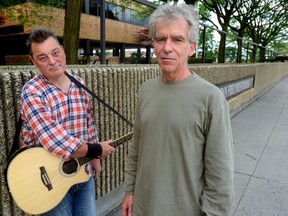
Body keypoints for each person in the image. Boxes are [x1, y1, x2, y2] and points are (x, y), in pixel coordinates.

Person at [122, 3, 234, 216]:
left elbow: (220, 173)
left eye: (177, 39)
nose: (167, 47)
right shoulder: (146, 90)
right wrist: (129, 190)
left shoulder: (211, 98)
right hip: (142, 207)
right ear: (153, 44)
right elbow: (136, 147)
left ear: (192, 47)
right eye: (161, 39)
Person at [21, 28, 115, 216]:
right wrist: (96, 149)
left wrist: (95, 159)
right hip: (50, 181)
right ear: (33, 62)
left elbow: (89, 122)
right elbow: (53, 140)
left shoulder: (79, 83)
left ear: (63, 51)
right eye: (42, 58)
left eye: (55, 53)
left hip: (82, 172)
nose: (52, 61)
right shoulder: (32, 91)